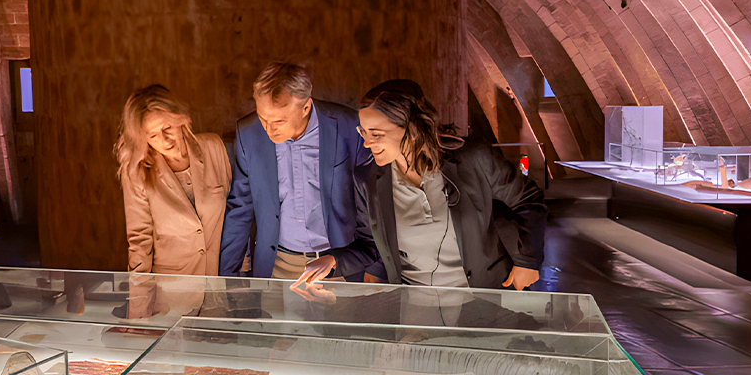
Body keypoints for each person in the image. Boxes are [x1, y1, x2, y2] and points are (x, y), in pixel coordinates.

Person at [352, 80, 545, 291]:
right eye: (363, 132)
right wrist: (333, 261)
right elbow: (369, 241)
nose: (367, 143)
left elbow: (528, 199)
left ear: (412, 128)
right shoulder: (367, 178)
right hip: (414, 307)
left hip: (485, 296)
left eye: (376, 134)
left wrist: (526, 260)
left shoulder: (474, 158)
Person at [219, 62, 378, 283]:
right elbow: (240, 209)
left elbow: (374, 203)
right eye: (263, 118)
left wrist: (377, 268)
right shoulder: (249, 133)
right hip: (277, 265)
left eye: (279, 121)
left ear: (305, 107)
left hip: (340, 263)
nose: (268, 129)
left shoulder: (350, 126)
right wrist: (227, 278)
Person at [115, 85, 231, 275]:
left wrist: (241, 275)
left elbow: (234, 216)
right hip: (173, 290)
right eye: (153, 135)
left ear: (179, 118)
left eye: (167, 128)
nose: (165, 140)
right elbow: (140, 243)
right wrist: (138, 301)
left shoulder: (213, 147)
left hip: (220, 282)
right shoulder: (137, 173)